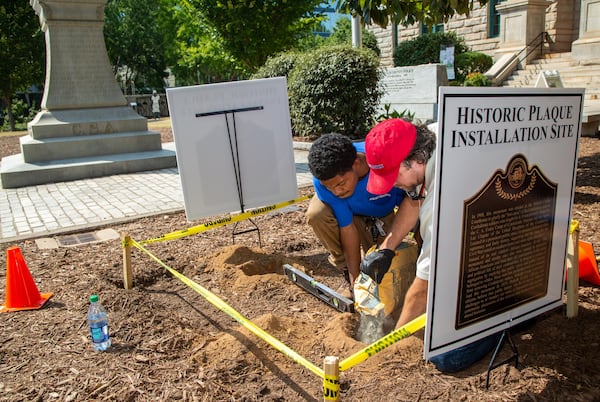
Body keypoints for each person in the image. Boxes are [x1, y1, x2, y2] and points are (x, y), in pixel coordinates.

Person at [363, 118, 501, 373]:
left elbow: (423, 288)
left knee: (447, 357)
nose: (392, 184)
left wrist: (394, 342)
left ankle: (506, 321)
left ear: (417, 160)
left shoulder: (443, 197)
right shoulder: (429, 137)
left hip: (504, 247)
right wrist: (387, 248)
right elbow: (414, 198)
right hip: (484, 227)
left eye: (394, 176)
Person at [306, 132, 420, 298]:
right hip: (353, 216)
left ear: (356, 163)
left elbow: (413, 205)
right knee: (317, 213)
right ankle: (347, 273)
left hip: (383, 215)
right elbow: (347, 228)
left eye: (341, 184)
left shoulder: (383, 163)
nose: (337, 192)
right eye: (330, 188)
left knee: (383, 268)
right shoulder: (325, 180)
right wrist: (355, 282)